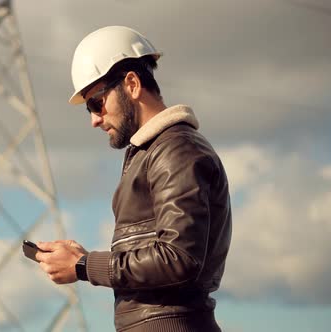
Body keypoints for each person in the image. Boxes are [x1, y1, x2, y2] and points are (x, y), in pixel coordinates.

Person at [34, 26, 232, 332]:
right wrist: (83, 259)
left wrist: (84, 266)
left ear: (132, 84)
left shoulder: (176, 150)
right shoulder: (150, 153)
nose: (94, 119)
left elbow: (178, 257)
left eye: (96, 103)